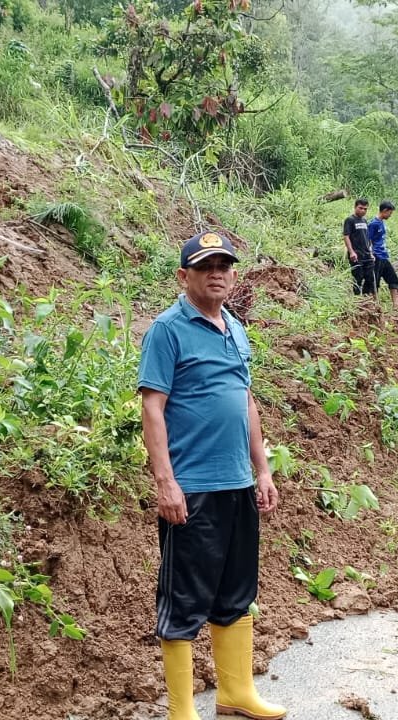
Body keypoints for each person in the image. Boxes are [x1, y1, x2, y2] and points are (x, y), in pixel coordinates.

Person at [138, 230, 284, 720]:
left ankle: (235, 693)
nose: (216, 273)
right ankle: (182, 711)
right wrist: (165, 480)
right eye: (205, 267)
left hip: (238, 484)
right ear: (184, 277)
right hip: (193, 487)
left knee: (236, 591)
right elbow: (153, 409)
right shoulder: (167, 329)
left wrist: (262, 470)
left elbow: (246, 402)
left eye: (224, 265)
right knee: (184, 598)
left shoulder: (236, 330)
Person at [342, 198, 377, 298]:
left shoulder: (365, 221)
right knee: (358, 277)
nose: (363, 211)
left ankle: (366, 299)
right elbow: (346, 236)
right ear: (355, 207)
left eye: (365, 209)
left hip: (366, 254)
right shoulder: (350, 220)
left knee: (370, 278)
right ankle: (357, 299)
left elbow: (366, 238)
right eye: (360, 208)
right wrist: (351, 252)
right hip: (356, 255)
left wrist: (370, 252)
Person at [371, 200, 398, 305]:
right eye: (390, 213)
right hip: (376, 256)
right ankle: (376, 304)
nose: (390, 215)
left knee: (393, 279)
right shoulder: (373, 224)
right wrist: (371, 254)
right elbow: (368, 240)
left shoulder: (381, 223)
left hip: (384, 256)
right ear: (385, 211)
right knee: (376, 281)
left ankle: (396, 304)